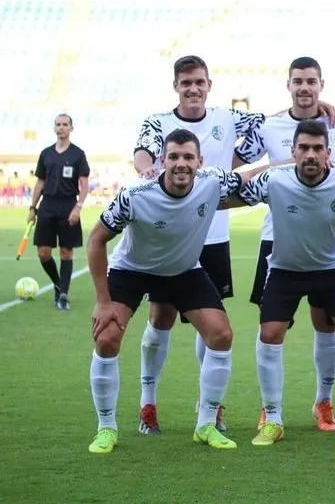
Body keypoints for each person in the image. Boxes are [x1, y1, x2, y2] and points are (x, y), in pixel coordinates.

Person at [235, 56, 335, 432]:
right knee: (273, 327)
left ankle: (324, 402)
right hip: (278, 240)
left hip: (326, 244)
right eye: (297, 81)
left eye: (311, 82)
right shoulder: (269, 125)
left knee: (327, 324)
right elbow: (235, 166)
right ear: (287, 85)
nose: (304, 88)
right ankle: (269, 410)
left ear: (321, 84)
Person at [85, 129, 247, 454]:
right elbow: (96, 239)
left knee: (221, 335)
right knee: (106, 338)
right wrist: (103, 302)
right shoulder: (136, 194)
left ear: (200, 162)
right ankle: (106, 427)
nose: (181, 164)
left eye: (188, 157)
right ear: (162, 161)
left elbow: (256, 181)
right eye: (173, 156)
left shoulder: (214, 181)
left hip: (183, 270)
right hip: (132, 270)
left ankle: (205, 425)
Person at [132, 55, 265, 436]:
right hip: (170, 238)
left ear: (210, 85)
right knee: (161, 318)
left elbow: (275, 124)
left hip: (212, 236)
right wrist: (145, 168)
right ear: (176, 85)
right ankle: (148, 403)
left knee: (213, 326)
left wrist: (317, 104)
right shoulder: (158, 122)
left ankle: (210, 407)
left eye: (200, 82)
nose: (193, 89)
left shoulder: (227, 118)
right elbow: (143, 150)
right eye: (186, 82)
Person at [27, 113, 90, 311]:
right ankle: (57, 284)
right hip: (47, 206)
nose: (61, 127)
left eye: (65, 124)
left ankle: (63, 294)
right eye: (58, 124)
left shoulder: (78, 154)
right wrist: (32, 208)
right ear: (54, 128)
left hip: (68, 205)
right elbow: (40, 182)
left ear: (71, 128)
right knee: (43, 253)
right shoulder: (46, 154)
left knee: (66, 252)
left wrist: (78, 207)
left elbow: (84, 184)